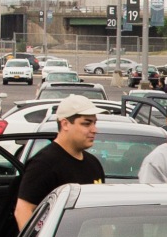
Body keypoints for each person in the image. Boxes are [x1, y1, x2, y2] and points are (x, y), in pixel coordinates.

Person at [14, 97, 105, 230]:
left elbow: (99, 214)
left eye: (94, 123)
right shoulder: (43, 164)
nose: (94, 129)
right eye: (86, 123)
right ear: (65, 124)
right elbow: (23, 210)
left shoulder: (93, 164)